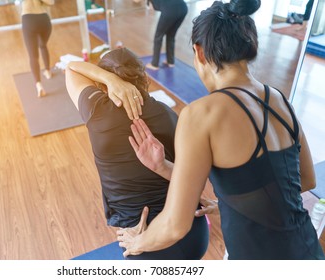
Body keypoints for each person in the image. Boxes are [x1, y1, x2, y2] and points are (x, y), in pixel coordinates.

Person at [117, 0, 325, 260]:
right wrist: (235, 202)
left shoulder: (202, 114)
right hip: (309, 252)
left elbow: (174, 225)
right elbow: (305, 179)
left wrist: (137, 243)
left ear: (199, 52)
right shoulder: (281, 100)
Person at [65, 47, 210, 260]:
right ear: (143, 77)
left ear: (103, 86)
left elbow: (71, 68)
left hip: (143, 241)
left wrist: (109, 79)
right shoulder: (171, 115)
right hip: (194, 233)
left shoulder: (96, 111)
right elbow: (193, 178)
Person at [21, 0, 54, 97]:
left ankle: (39, 85)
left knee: (33, 56)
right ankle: (48, 71)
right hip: (44, 19)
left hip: (28, 18)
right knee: (43, 45)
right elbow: (51, 2)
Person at [145, 0, 188, 70]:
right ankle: (170, 61)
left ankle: (154, 64)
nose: (151, 10)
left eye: (150, 7)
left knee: (158, 37)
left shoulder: (152, 1)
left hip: (170, 9)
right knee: (171, 35)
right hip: (183, 8)